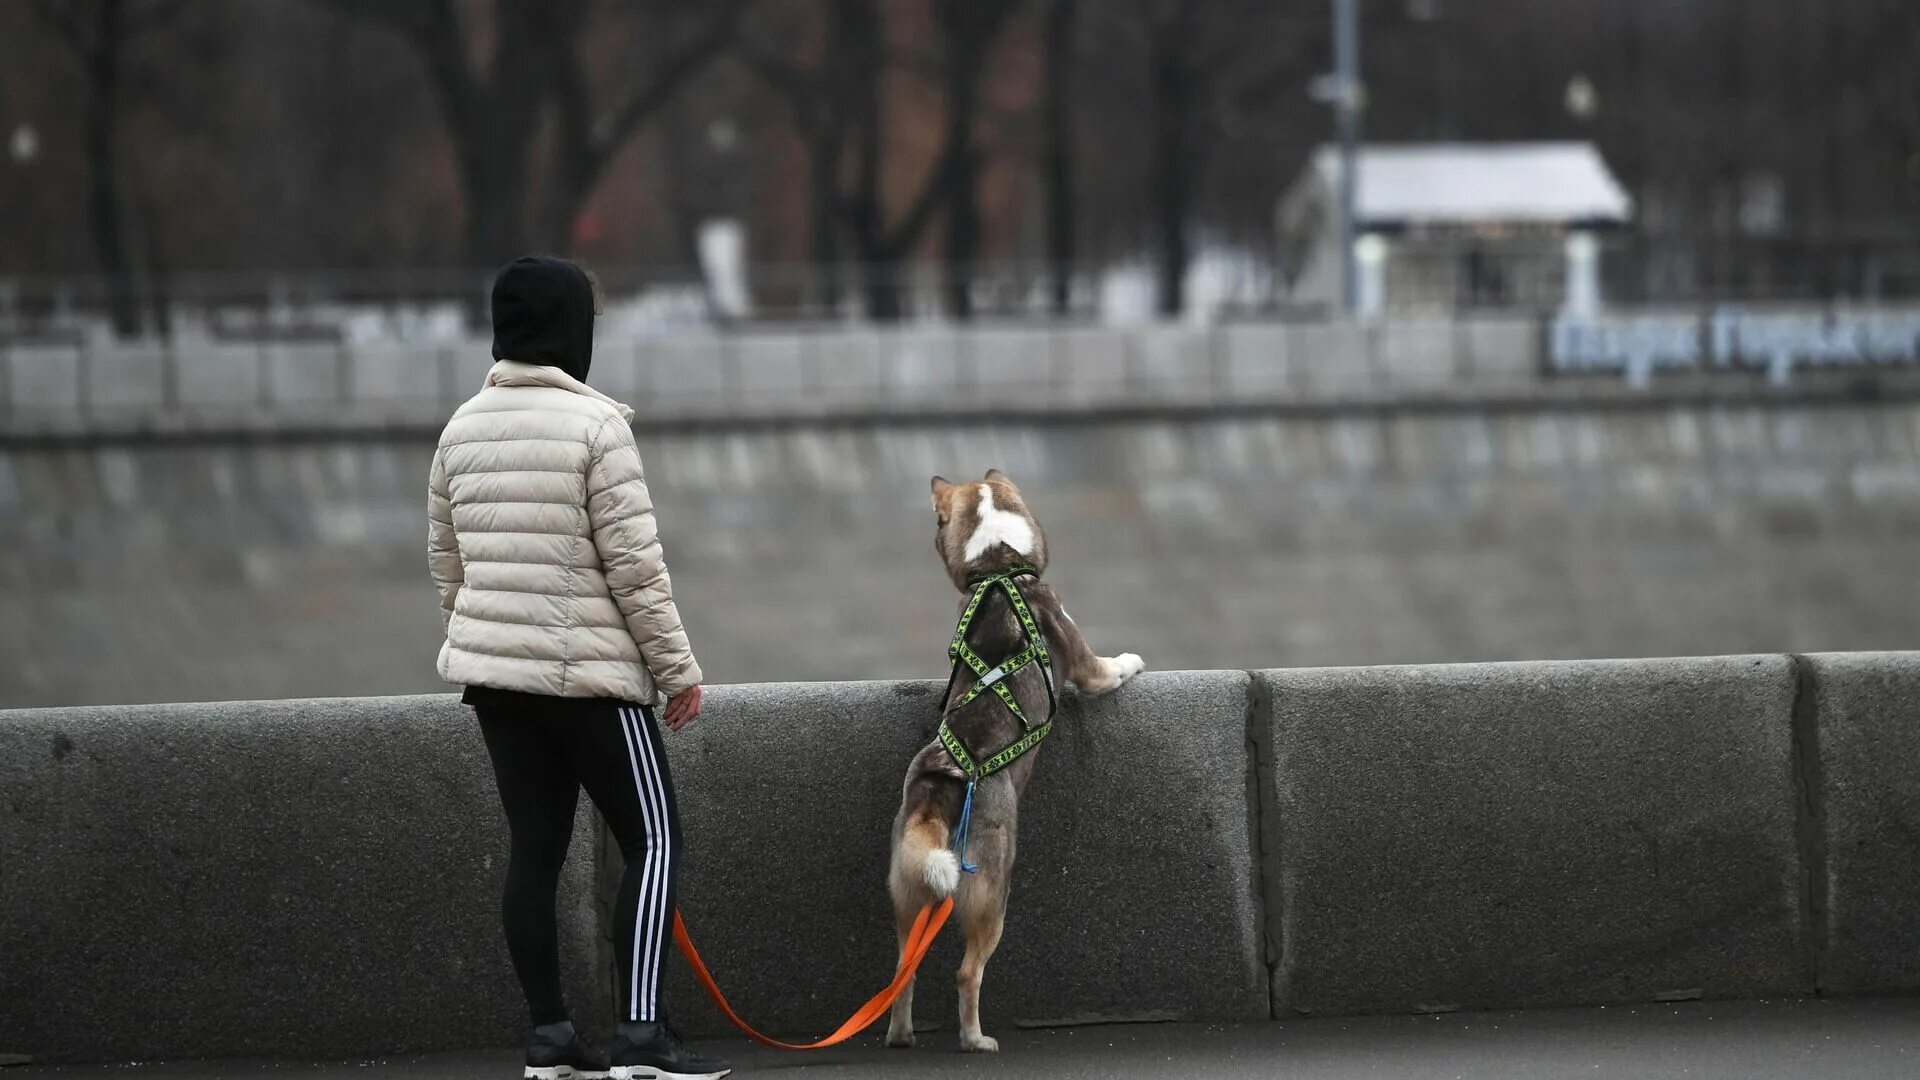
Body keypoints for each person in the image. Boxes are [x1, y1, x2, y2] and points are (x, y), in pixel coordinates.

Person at [428, 256, 731, 1080]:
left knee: (536, 850)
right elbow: (636, 569)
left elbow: (447, 564)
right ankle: (642, 1037)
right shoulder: (598, 429)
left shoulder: (459, 429)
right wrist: (678, 673)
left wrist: (487, 639)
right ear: (573, 333)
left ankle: (551, 1039)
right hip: (591, 684)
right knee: (655, 838)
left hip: (496, 684)